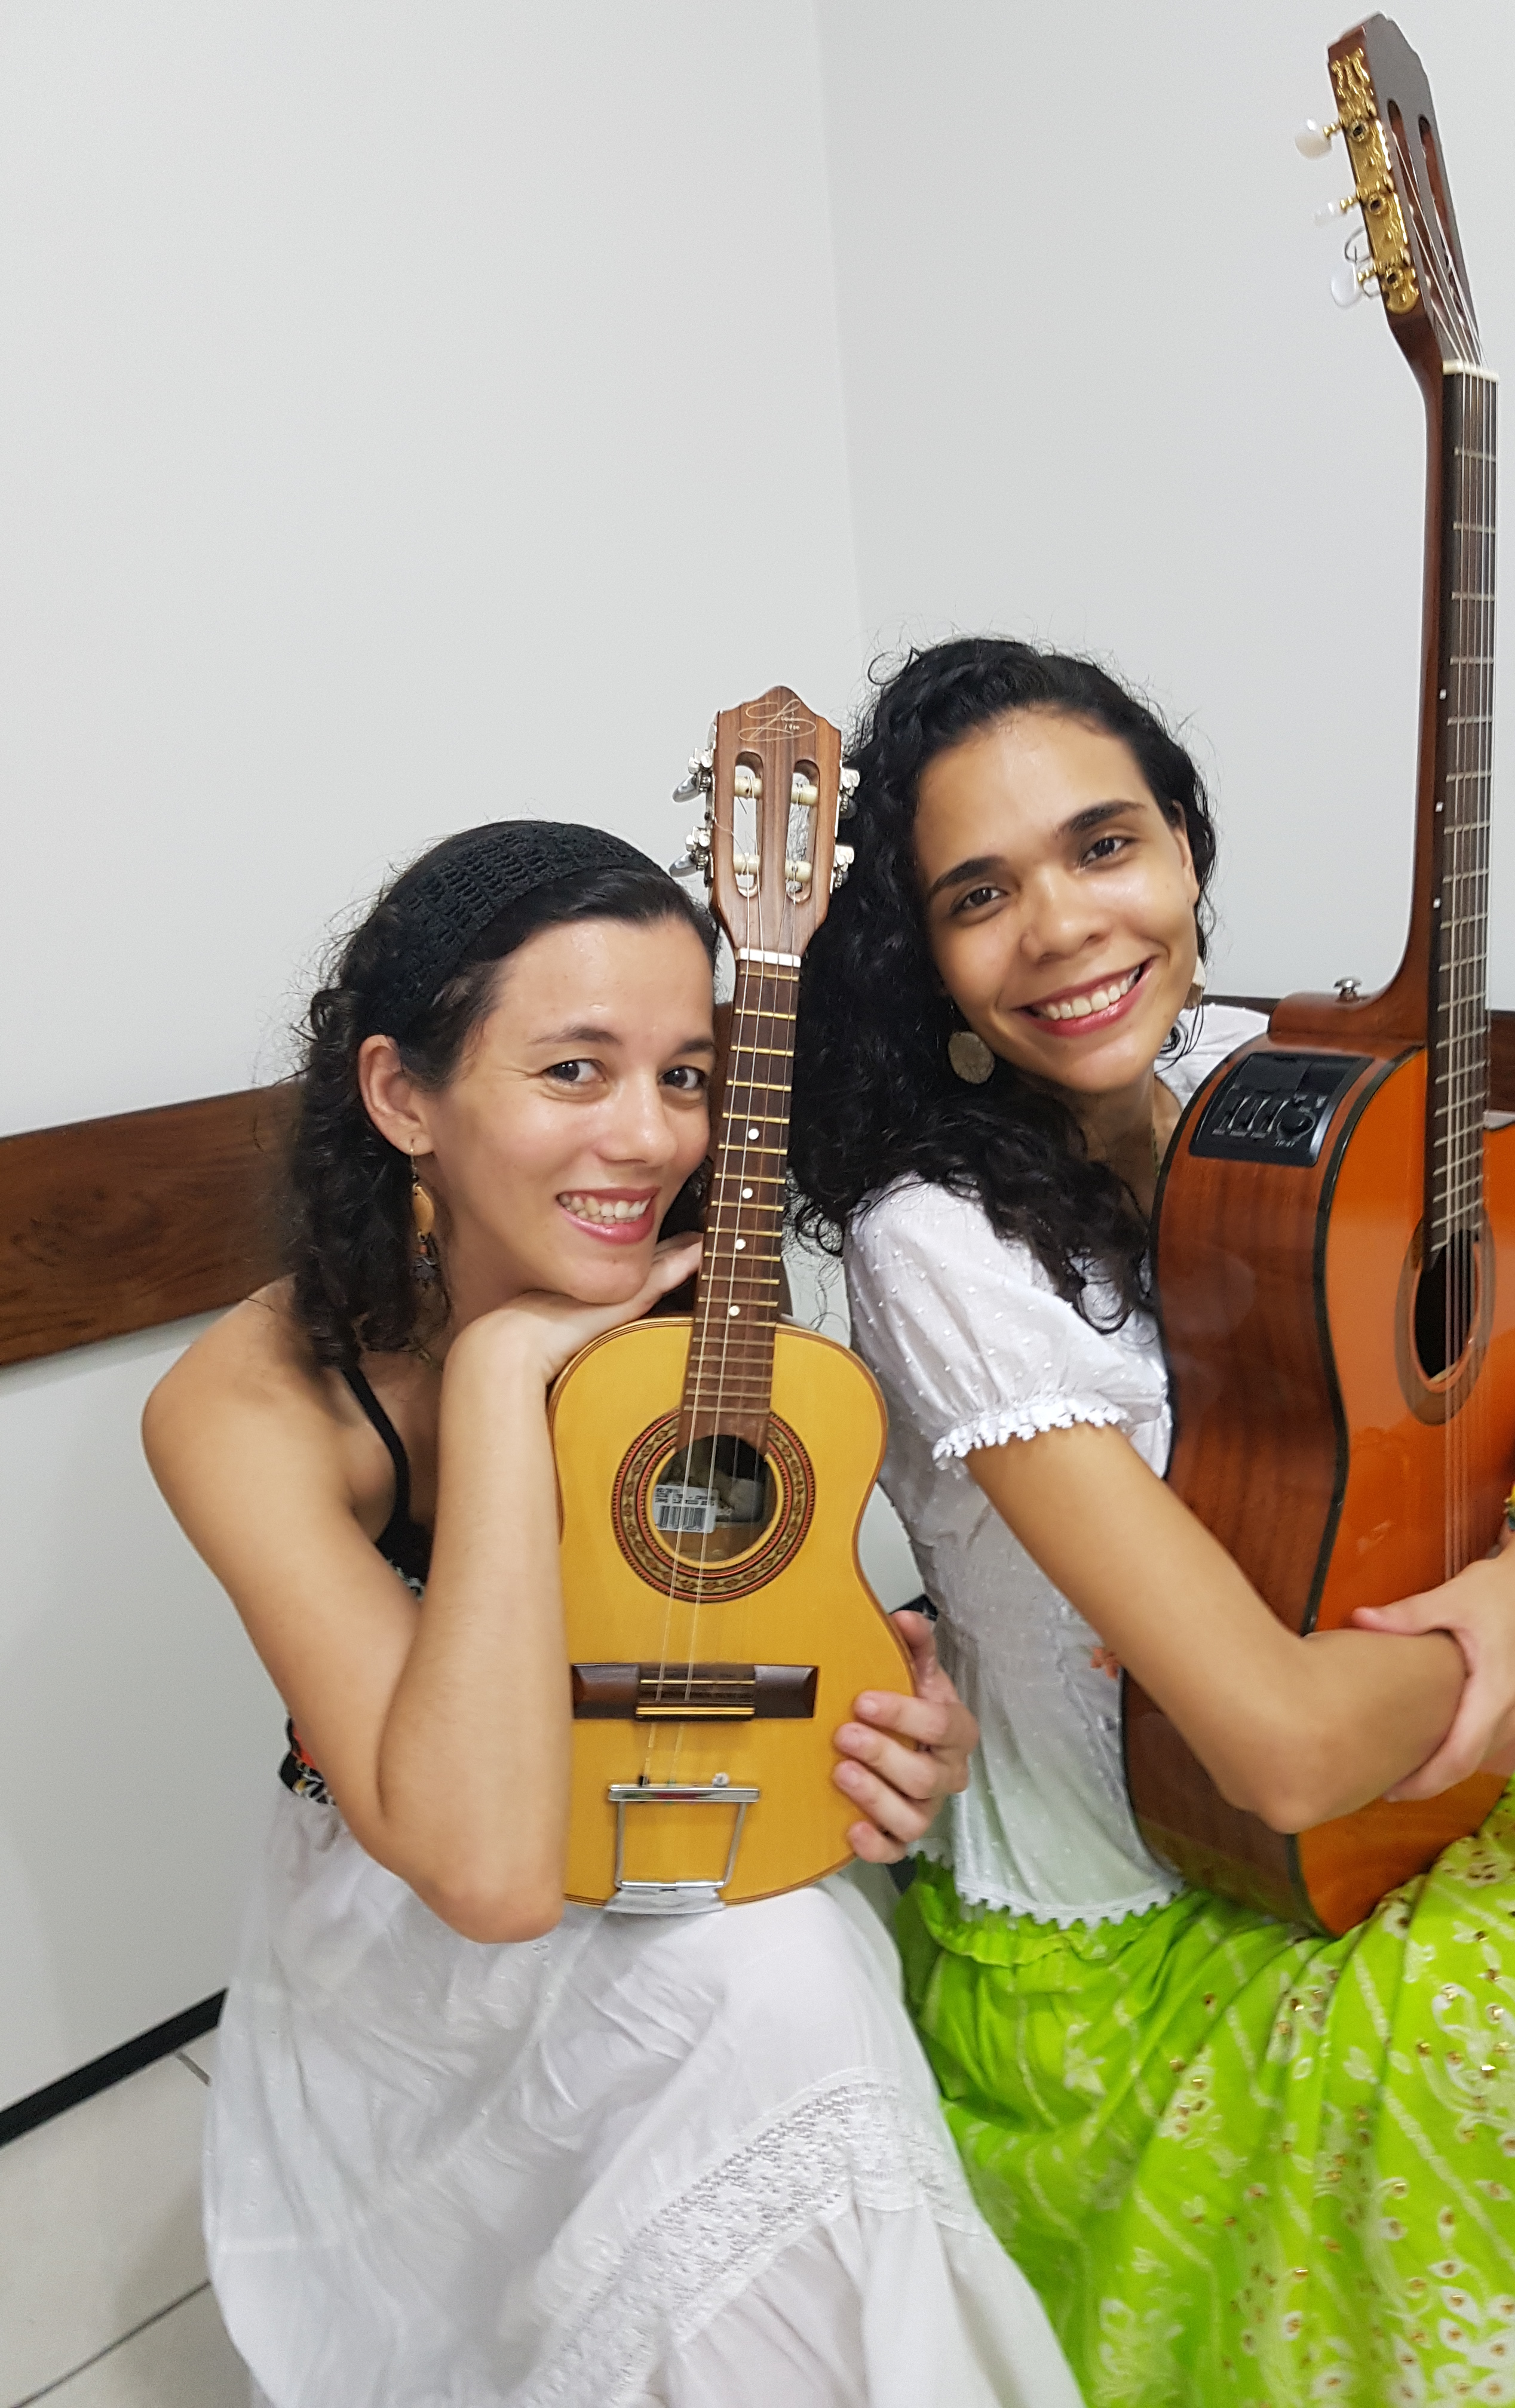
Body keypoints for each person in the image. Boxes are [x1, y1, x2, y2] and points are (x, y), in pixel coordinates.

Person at [788, 638, 1515, 2408]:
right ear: (928, 959)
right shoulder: (933, 1236)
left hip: (1375, 1838)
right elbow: (1275, 1745)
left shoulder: (1250, 1075)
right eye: (981, 894)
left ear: (1185, 850)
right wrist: (1511, 1634)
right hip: (1140, 1938)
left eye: (1105, 845)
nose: (1064, 927)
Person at [143, 819, 1083, 2408]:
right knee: (775, 1986)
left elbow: (767, 1605)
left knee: (787, 1978)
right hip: (421, 1908)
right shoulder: (245, 1406)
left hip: (687, 1813)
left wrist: (890, 1718)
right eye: (574, 1070)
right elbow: (486, 1872)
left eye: (687, 1076)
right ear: (403, 1099)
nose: (650, 1140)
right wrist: (503, 1374)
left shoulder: (696, 1306)